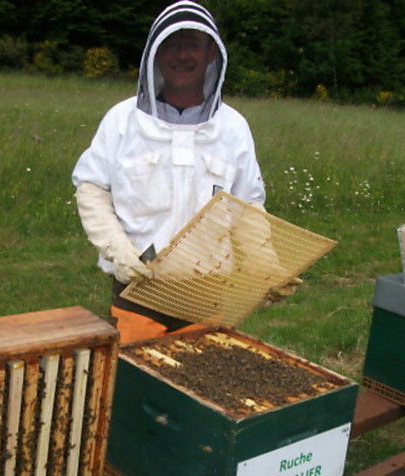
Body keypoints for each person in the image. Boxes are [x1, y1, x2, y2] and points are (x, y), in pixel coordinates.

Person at [72, 0, 268, 345]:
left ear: (211, 53)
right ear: (156, 53)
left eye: (192, 43)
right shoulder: (122, 119)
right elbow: (92, 187)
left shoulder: (233, 127)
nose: (181, 54)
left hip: (205, 289)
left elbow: (247, 206)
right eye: (171, 44)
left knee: (200, 383)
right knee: (137, 382)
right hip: (138, 288)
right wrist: (118, 248)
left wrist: (265, 266)